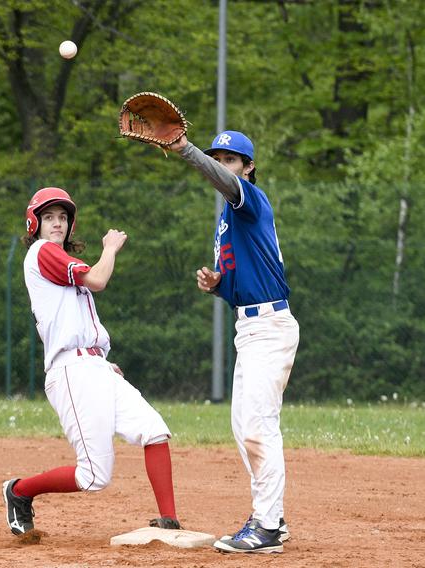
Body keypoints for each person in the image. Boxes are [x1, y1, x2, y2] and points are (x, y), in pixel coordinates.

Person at [2, 187, 182, 538]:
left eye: (63, 217)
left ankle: (169, 520)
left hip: (95, 366)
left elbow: (80, 316)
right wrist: (110, 248)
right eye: (49, 217)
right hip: (71, 371)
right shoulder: (42, 251)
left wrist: (100, 359)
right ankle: (19, 491)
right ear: (34, 223)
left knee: (154, 430)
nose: (57, 223)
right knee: (94, 477)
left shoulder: (62, 262)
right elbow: (98, 280)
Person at [168, 131, 300, 553]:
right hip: (250, 328)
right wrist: (219, 285)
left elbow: (224, 183)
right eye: (218, 157)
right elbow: (244, 284)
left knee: (259, 429)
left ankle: (266, 526)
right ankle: (272, 518)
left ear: (248, 168)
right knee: (244, 429)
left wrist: (186, 150)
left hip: (270, 327)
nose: (223, 164)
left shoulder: (249, 201)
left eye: (231, 158)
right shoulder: (227, 218)